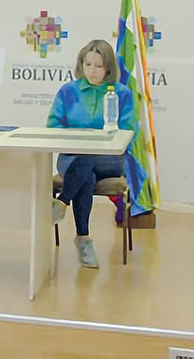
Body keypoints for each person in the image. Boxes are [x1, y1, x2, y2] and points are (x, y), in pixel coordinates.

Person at [47, 40, 136, 269]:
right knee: (85, 173)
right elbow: (53, 127)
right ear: (81, 64)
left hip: (109, 160)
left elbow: (129, 132)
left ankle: (62, 202)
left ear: (108, 68)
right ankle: (84, 240)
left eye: (98, 66)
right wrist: (77, 139)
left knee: (86, 162)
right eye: (88, 64)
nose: (92, 71)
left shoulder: (121, 93)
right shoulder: (68, 91)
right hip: (72, 157)